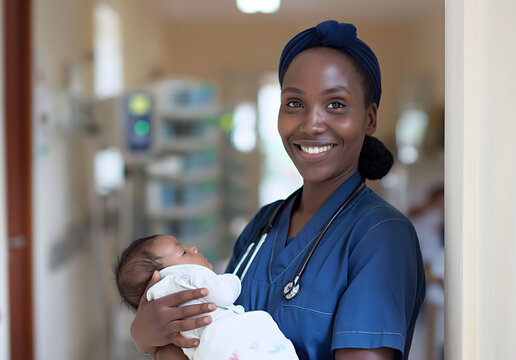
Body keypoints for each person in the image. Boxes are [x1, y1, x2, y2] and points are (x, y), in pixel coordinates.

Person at [131, 20, 426, 360]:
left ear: (369, 119)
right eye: (295, 103)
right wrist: (146, 336)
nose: (311, 123)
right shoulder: (264, 223)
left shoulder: (381, 236)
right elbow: (208, 338)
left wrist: (155, 348)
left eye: (336, 104)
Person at [114, 234, 298, 360]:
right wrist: (232, 281)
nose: (193, 248)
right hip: (225, 340)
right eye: (183, 252)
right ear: (162, 273)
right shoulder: (187, 275)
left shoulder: (158, 299)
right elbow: (224, 294)